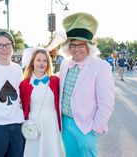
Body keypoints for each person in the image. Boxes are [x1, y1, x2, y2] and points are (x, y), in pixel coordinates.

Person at [59, 12, 115, 157]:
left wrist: (95, 129)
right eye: (72, 45)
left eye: (80, 45)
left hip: (86, 128)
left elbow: (106, 102)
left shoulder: (101, 66)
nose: (76, 48)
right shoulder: (65, 65)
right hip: (65, 123)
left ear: (89, 46)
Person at [19, 49, 65, 157]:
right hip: (34, 123)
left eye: (45, 61)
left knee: (52, 150)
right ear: (32, 62)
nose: (41, 63)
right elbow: (22, 105)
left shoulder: (55, 81)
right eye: (38, 60)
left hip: (52, 122)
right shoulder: (24, 84)